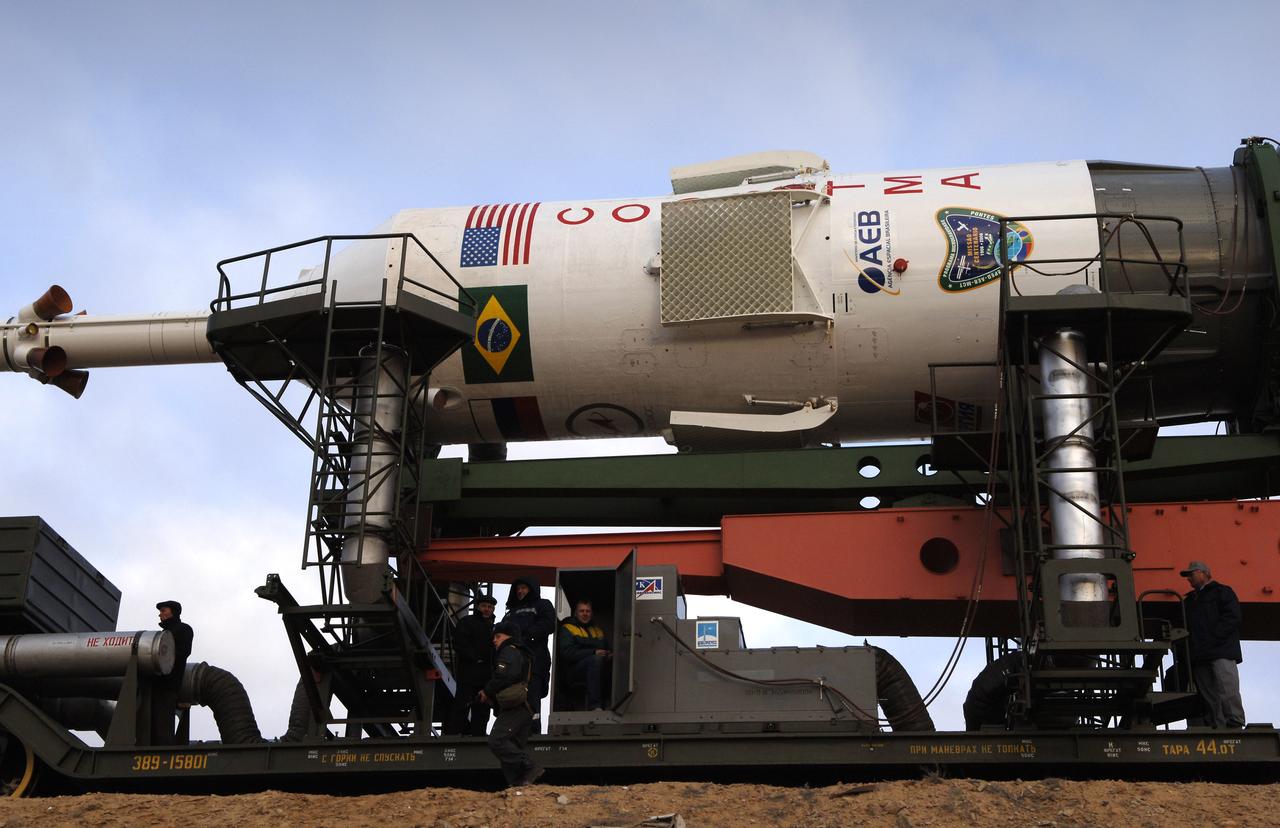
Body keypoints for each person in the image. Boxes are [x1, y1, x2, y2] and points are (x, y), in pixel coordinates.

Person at [1181, 561, 1246, 728]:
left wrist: (1214, 637)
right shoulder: (1190, 601)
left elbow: (1233, 617)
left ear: (1203, 573)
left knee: (1227, 688)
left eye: (1191, 574)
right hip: (1201, 655)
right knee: (1209, 694)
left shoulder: (1222, 592)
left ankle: (1234, 720)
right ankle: (1218, 724)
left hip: (1220, 651)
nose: (1188, 578)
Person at [478, 620, 543, 787]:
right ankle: (518, 785)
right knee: (512, 746)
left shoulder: (509, 650)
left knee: (497, 741)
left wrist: (487, 691)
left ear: (509, 637)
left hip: (516, 707)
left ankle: (530, 766)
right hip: (527, 707)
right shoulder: (523, 652)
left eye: (498, 636)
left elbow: (504, 676)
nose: (494, 640)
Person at [502, 576, 556, 728]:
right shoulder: (510, 613)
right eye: (518, 588)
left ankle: (533, 731)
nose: (520, 591)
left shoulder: (543, 604)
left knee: (532, 698)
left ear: (531, 589)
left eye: (523, 588)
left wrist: (524, 636)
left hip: (535, 660)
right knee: (512, 698)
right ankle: (512, 730)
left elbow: (548, 624)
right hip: (513, 664)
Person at [444, 594, 497, 736]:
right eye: (484, 606)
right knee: (462, 704)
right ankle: (454, 735)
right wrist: (475, 658)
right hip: (468, 673)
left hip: (486, 676)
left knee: (482, 707)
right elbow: (459, 643)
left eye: (490, 607)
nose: (487, 609)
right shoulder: (467, 622)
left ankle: (478, 735)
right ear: (478, 607)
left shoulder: (494, 628)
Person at [556, 599, 611, 710]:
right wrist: (593, 652)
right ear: (575, 613)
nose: (585, 614)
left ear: (592, 613)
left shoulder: (598, 631)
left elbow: (607, 649)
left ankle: (611, 703)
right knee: (595, 660)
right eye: (582, 611)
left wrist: (609, 654)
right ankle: (594, 706)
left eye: (588, 611)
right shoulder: (567, 628)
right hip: (573, 671)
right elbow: (566, 653)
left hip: (597, 666)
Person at [152, 600, 193, 745]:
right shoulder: (164, 633)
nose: (160, 614)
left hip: (169, 685)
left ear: (173, 612)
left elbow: (183, 652)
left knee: (163, 725)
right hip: (157, 685)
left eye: (163, 610)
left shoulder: (183, 629)